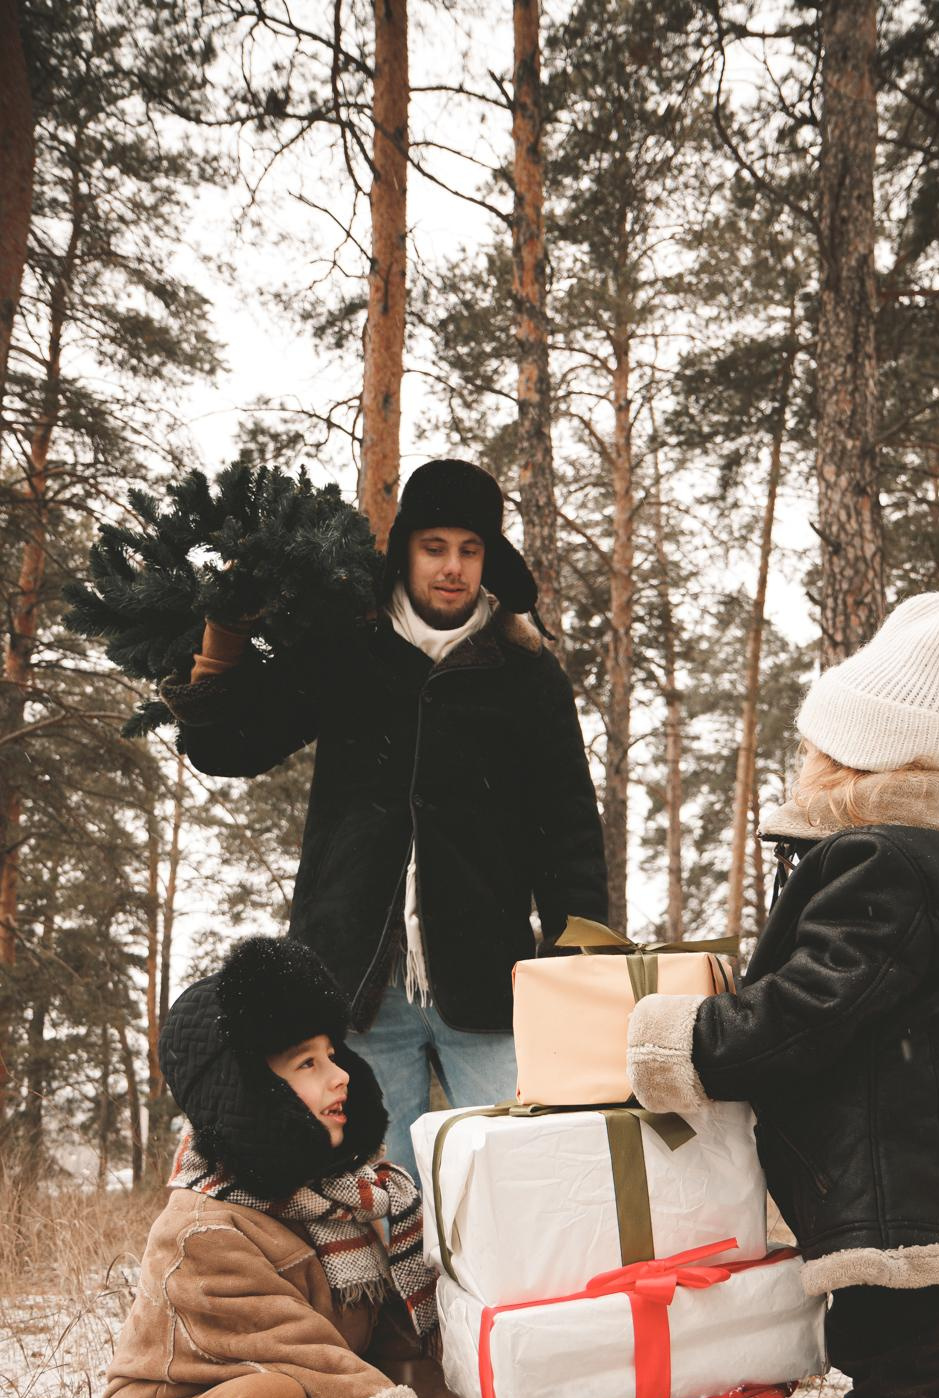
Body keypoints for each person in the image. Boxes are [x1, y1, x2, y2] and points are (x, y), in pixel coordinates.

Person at [623, 592, 939, 1398]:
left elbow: (812, 1008)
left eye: (819, 742)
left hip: (880, 1170)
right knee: (898, 1349)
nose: (803, 758)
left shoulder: (887, 865)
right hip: (881, 1158)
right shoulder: (898, 857)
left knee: (898, 1364)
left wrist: (686, 1039)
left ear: (857, 753)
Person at [95, 936, 569, 1398]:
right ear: (247, 1093)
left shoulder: (344, 1203)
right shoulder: (202, 1229)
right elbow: (312, 1365)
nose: (339, 1075)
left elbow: (398, 1345)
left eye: (332, 1054)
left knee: (329, 1397)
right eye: (305, 1064)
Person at [162, 459, 608, 1169]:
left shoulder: (527, 676)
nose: (453, 567)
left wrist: (576, 969)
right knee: (377, 1197)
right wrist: (223, 638)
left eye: (470, 550)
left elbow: (570, 834)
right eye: (435, 547)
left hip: (489, 983)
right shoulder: (348, 651)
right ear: (405, 551)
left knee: (518, 1178)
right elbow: (228, 748)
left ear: (488, 560)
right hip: (356, 985)